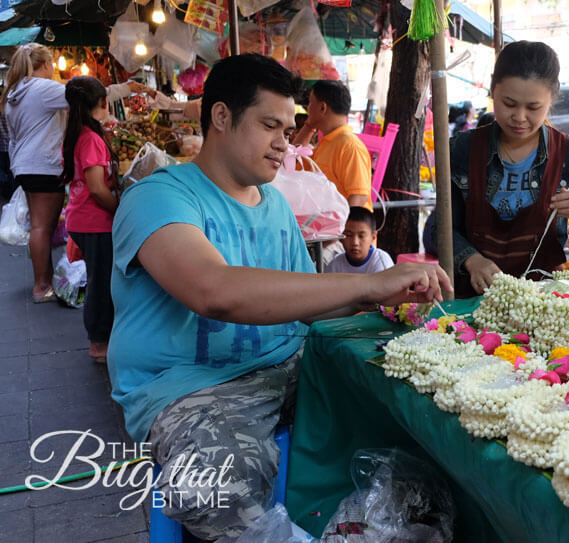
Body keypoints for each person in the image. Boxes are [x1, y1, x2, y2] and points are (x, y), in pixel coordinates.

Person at [108, 54, 450, 541]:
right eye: (271, 126)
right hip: (195, 387)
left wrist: (383, 297)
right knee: (216, 487)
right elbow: (214, 291)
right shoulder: (158, 197)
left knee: (411, 414)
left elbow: (306, 302)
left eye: (288, 131)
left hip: (290, 365)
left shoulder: (273, 206)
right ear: (221, 116)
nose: (283, 145)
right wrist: (366, 284)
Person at [427, 41, 569, 297]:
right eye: (509, 104)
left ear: (552, 97)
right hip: (472, 302)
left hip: (543, 305)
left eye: (533, 107)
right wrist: (472, 259)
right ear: (493, 90)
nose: (520, 117)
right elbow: (437, 230)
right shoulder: (461, 150)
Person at [2, 43, 147, 302]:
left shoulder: (15, 91)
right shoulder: (42, 88)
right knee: (42, 227)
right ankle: (41, 285)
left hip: (24, 164)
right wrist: (127, 88)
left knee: (38, 225)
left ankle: (43, 280)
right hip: (43, 165)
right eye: (50, 65)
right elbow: (85, 94)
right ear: (45, 65)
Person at [62, 77, 118, 363]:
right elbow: (97, 187)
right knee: (101, 283)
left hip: (83, 220)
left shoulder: (80, 133)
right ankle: (99, 343)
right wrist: (119, 207)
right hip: (94, 222)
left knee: (100, 280)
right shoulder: (91, 139)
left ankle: (102, 339)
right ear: (101, 102)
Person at [293, 80, 373, 209]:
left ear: (322, 108)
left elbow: (359, 197)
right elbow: (292, 158)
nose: (308, 109)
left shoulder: (349, 146)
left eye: (310, 104)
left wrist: (340, 228)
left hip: (345, 226)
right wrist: (309, 126)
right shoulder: (328, 142)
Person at [324, 206, 394, 273]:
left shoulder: (381, 262)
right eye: (349, 235)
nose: (355, 242)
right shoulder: (335, 265)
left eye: (361, 236)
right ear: (341, 237)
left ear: (373, 237)